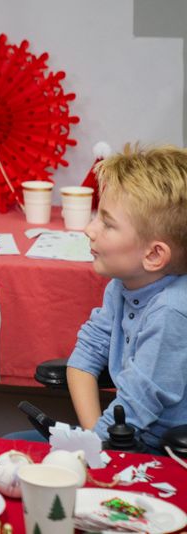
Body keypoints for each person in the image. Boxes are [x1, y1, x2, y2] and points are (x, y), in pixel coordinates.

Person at [64, 145, 187, 453]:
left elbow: (137, 406)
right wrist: (93, 437)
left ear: (154, 255)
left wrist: (91, 449)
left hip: (160, 455)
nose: (89, 229)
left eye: (107, 223)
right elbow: (85, 355)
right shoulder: (122, 285)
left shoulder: (171, 312)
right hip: (120, 437)